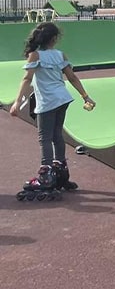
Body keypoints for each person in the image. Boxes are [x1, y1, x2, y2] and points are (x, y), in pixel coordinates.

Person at [10, 22, 96, 194]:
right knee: (57, 134)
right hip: (62, 99)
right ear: (54, 39)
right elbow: (71, 77)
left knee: (44, 137)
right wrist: (85, 96)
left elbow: (26, 79)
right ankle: (60, 169)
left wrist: (17, 102)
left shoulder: (35, 55)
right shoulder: (60, 55)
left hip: (48, 101)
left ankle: (46, 174)